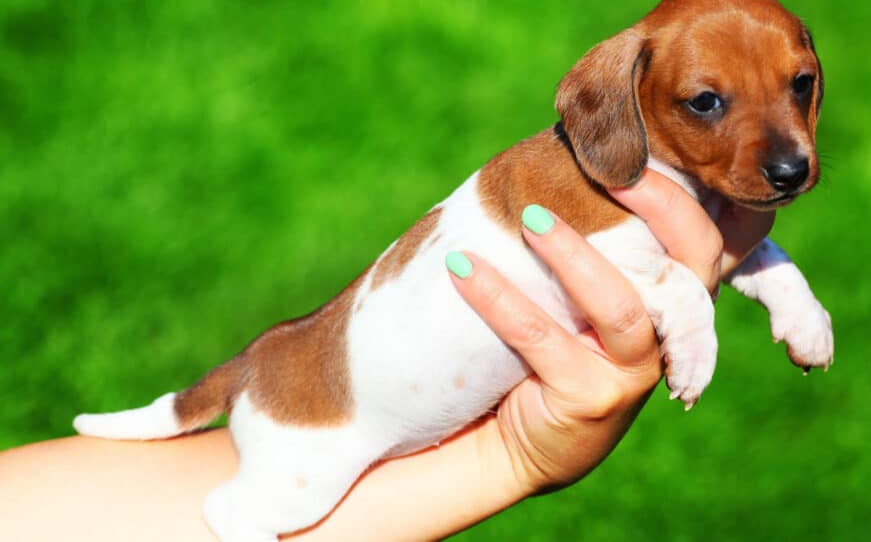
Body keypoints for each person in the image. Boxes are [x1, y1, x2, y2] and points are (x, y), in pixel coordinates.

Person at [0, 169, 772, 540]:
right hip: (307, 396)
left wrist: (510, 456)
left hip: (298, 380)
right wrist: (503, 458)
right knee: (271, 501)